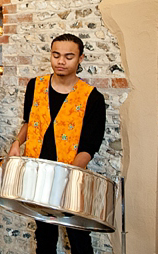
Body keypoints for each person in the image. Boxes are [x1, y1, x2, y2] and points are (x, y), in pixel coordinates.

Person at [8, 33, 106, 254]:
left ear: (80, 58)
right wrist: (16, 143)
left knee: (78, 237)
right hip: (38, 173)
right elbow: (29, 122)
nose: (61, 61)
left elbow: (89, 147)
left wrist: (66, 175)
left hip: (71, 176)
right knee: (44, 236)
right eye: (56, 55)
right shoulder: (35, 85)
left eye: (69, 56)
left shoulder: (92, 97)